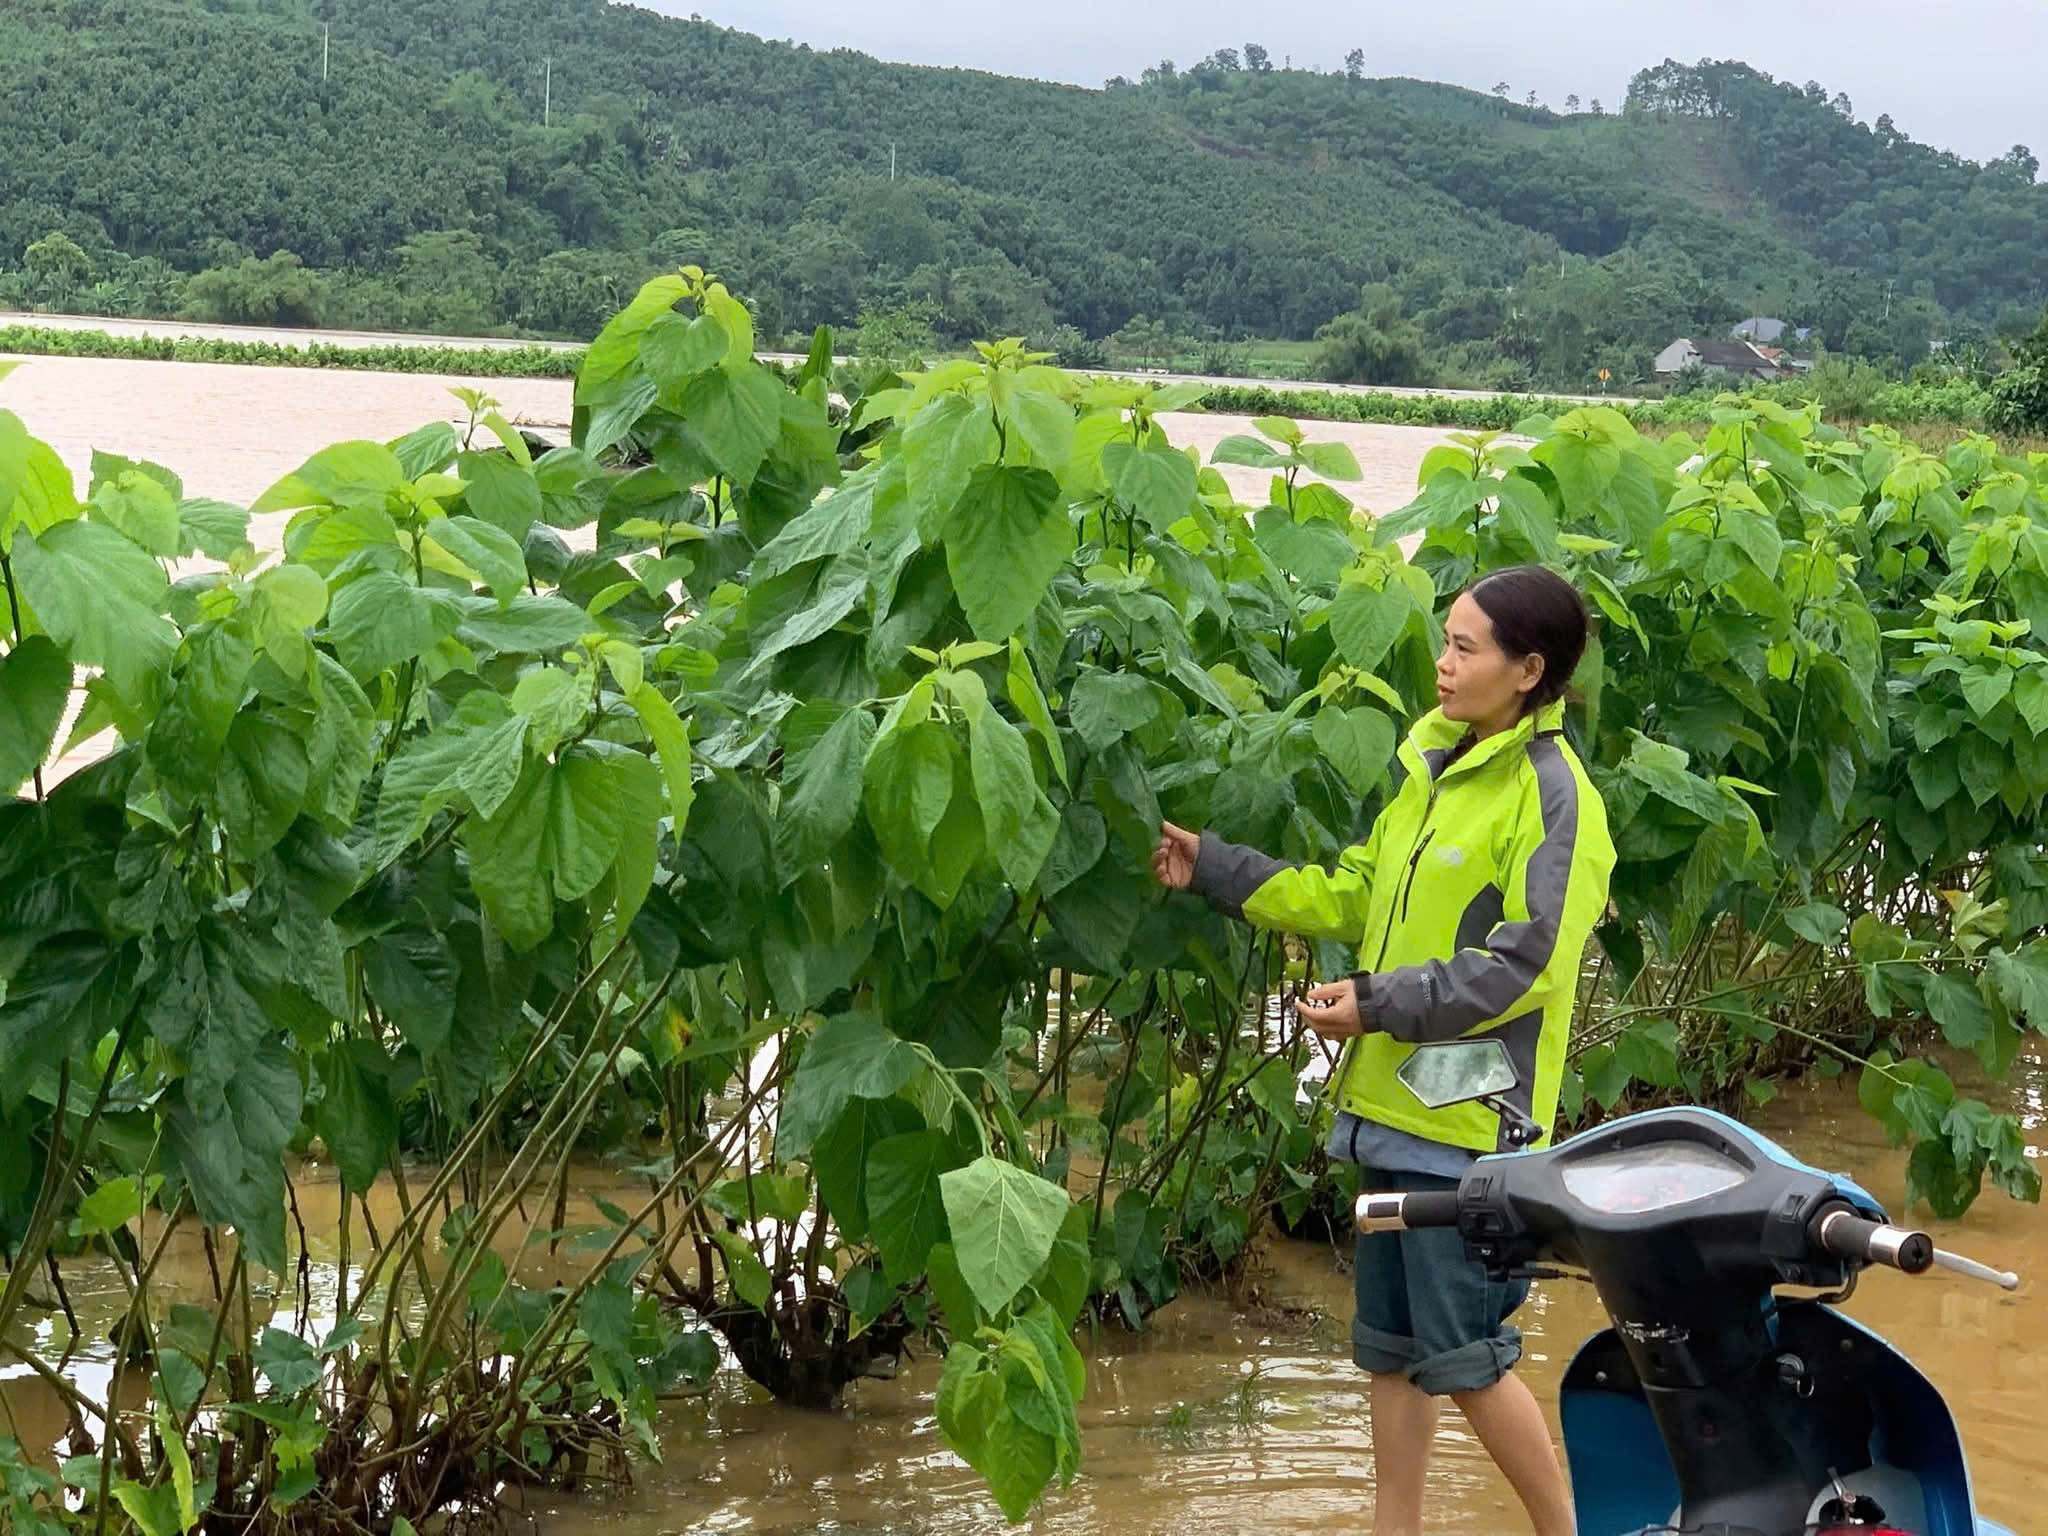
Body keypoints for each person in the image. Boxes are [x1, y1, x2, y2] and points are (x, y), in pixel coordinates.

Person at [1152, 565, 1614, 1536]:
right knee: (1390, 1350)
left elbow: (1524, 965)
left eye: (1464, 647)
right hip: (1387, 1114)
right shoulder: (1434, 769)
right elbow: (1354, 893)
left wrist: (1376, 1003)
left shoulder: (1553, 796)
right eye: (1443, 642)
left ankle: (1563, 1529)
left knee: (1469, 1358)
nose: (1441, 666)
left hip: (1470, 1126)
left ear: (1528, 670)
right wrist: (1218, 870)